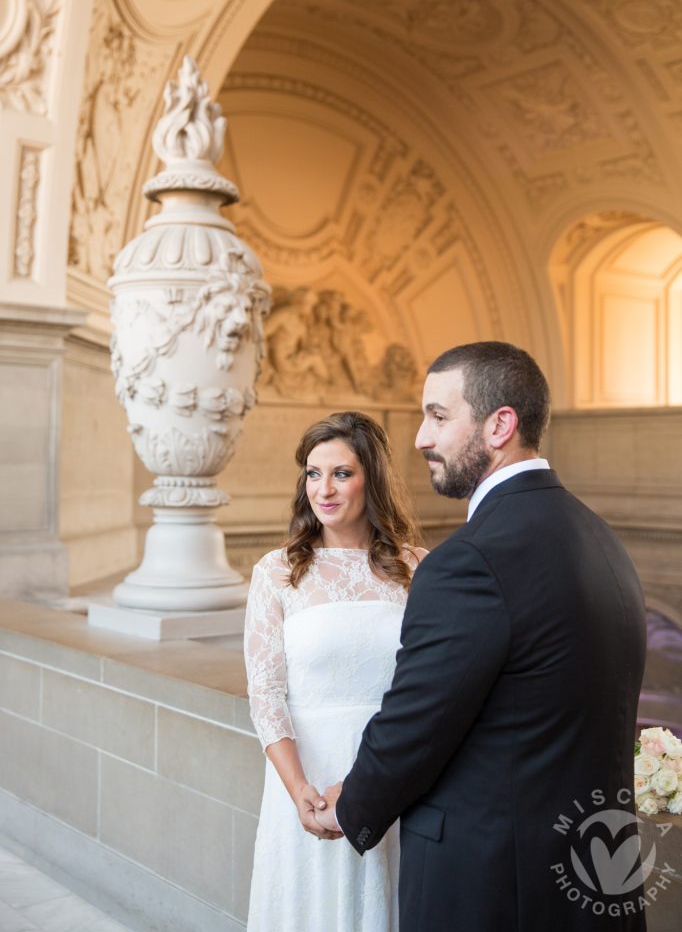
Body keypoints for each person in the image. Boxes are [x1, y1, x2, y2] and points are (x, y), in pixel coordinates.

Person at [315, 342, 648, 931]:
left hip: (495, 886)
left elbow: (417, 722)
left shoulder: (468, 561)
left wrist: (351, 805)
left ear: (500, 425)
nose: (420, 438)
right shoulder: (603, 540)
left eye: (439, 416)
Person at [243, 411, 427, 932]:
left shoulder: (418, 567)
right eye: (313, 473)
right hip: (309, 774)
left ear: (373, 478)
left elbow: (434, 683)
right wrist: (299, 788)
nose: (324, 489)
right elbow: (266, 691)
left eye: (342, 473)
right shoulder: (277, 571)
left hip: (393, 769)